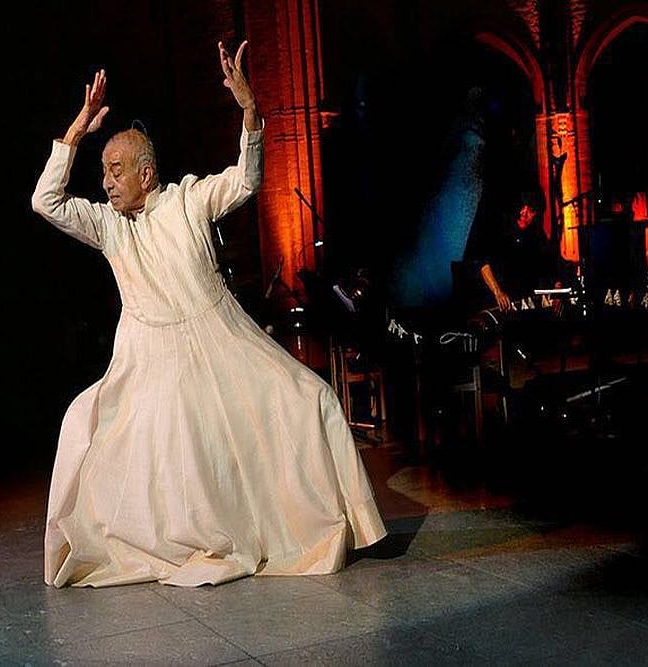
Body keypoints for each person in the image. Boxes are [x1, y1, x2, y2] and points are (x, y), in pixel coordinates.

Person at [31, 40, 386, 588]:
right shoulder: (109, 225)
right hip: (147, 360)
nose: (105, 183)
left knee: (309, 398)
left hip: (220, 340)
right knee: (87, 425)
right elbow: (45, 201)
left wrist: (250, 111)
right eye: (103, 172)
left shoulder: (187, 200)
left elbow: (246, 179)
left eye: (116, 171)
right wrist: (77, 130)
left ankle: (344, 523)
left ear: (147, 174)